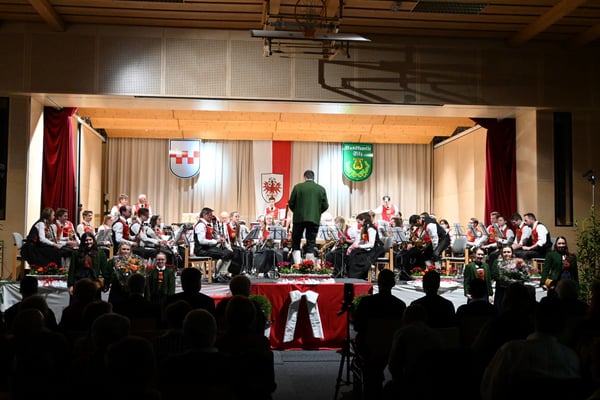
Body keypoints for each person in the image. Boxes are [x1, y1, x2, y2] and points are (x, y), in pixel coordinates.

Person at [480, 296, 581, 400]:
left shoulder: (511, 352)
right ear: (564, 326)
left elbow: (489, 390)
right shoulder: (571, 359)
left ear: (533, 319)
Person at [353, 269, 406, 399]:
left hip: (370, 347)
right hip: (392, 347)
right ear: (393, 284)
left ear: (378, 282)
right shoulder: (400, 305)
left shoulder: (367, 303)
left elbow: (357, 326)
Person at [288, 169, 329, 265]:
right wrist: (316, 212)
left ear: (305, 177)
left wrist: (297, 211)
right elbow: (325, 205)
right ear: (313, 178)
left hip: (299, 219)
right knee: (311, 242)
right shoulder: (321, 189)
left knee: (296, 241)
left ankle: (297, 265)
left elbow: (291, 203)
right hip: (314, 219)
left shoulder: (298, 187)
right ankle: (308, 266)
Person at [193, 207, 236, 282]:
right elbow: (201, 241)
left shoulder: (206, 225)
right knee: (227, 254)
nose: (211, 217)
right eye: (210, 215)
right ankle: (219, 275)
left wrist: (218, 239)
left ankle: (220, 274)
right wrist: (216, 241)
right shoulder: (201, 225)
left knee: (229, 253)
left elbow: (209, 237)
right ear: (205, 215)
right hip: (201, 250)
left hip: (207, 248)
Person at [67, 231, 110, 296]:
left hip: (93, 281)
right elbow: (72, 270)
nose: (88, 242)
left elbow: (105, 270)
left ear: (93, 240)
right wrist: (70, 285)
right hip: (79, 281)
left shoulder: (100, 253)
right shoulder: (76, 253)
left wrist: (106, 283)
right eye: (86, 240)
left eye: (90, 240)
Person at [490, 245, 529, 311]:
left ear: (512, 253)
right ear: (501, 253)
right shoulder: (496, 262)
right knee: (500, 308)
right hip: (501, 290)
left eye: (508, 252)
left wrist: (523, 267)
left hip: (515, 290)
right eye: (504, 252)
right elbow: (495, 275)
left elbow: (524, 275)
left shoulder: (518, 261)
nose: (506, 254)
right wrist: (509, 281)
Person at [346, 211, 383, 280]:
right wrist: (350, 248)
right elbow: (359, 240)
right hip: (367, 248)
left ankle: (358, 276)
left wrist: (359, 246)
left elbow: (371, 244)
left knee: (359, 257)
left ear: (363, 220)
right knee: (353, 253)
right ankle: (352, 276)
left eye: (359, 222)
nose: (358, 224)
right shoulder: (364, 228)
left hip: (375, 249)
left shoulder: (371, 229)